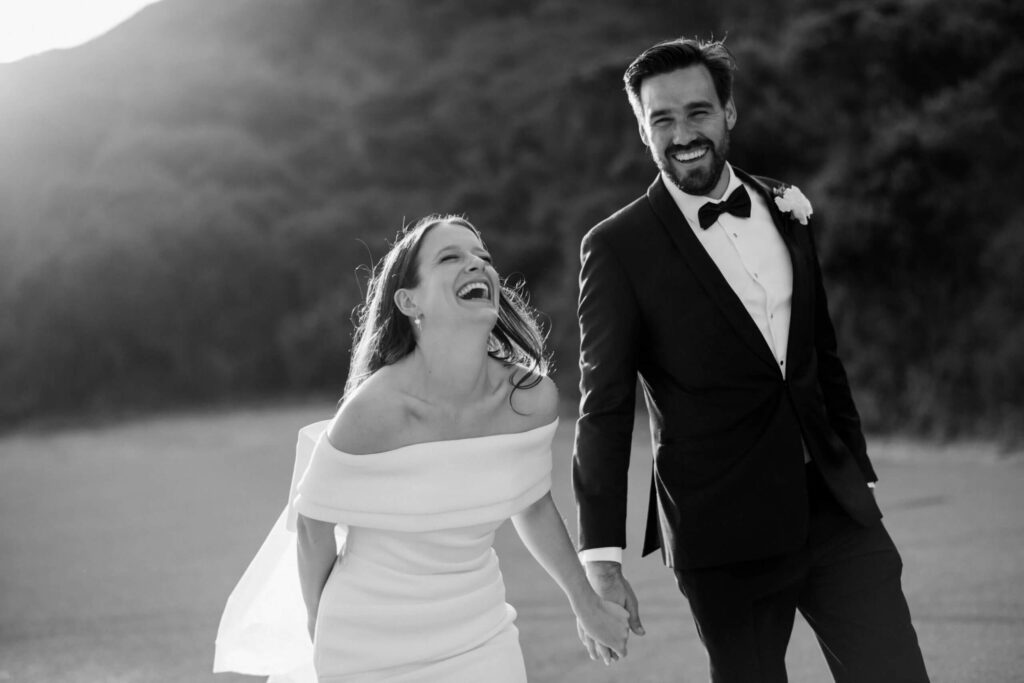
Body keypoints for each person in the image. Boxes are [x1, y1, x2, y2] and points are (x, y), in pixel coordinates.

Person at [572, 38, 930, 682]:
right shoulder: (616, 246)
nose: (683, 134)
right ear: (641, 128)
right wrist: (601, 560)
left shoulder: (784, 207)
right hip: (721, 533)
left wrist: (857, 473)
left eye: (698, 112)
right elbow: (604, 409)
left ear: (729, 113)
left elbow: (821, 354)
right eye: (662, 119)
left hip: (835, 512)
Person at [214, 214, 628, 683]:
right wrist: (318, 625)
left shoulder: (530, 399)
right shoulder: (374, 411)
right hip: (367, 643)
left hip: (480, 634)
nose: (478, 265)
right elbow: (313, 527)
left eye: (483, 258)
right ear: (410, 301)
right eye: (451, 257)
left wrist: (585, 602)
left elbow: (531, 503)